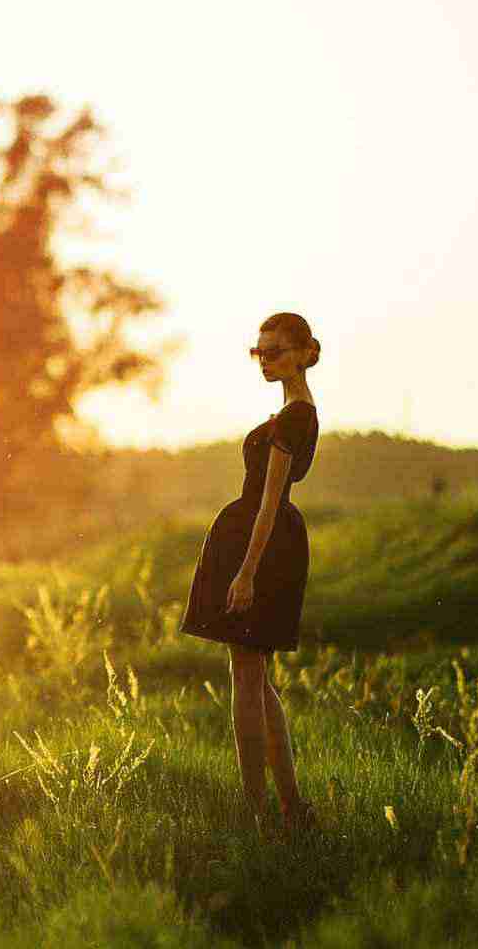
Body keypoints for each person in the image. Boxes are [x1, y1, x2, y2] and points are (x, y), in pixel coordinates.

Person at [178, 311, 323, 839]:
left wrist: (246, 573)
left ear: (305, 353)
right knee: (257, 681)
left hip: (262, 545)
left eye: (275, 351)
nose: (265, 360)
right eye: (259, 352)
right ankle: (290, 808)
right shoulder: (288, 412)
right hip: (256, 539)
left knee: (246, 679)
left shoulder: (295, 418)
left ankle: (257, 809)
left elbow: (269, 502)